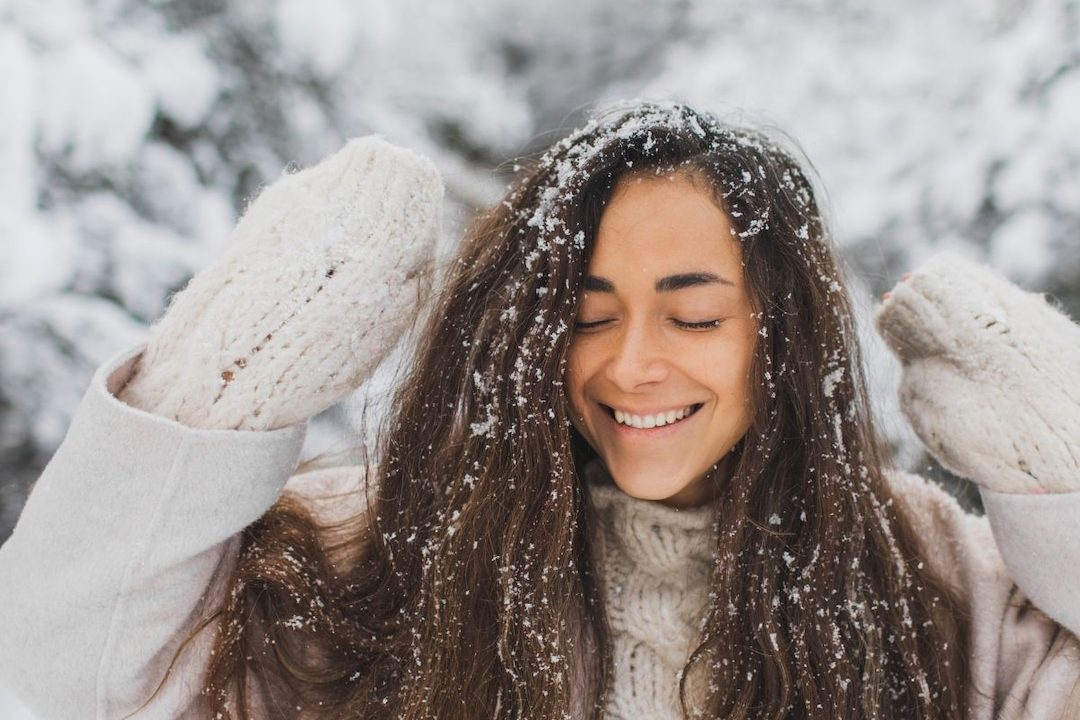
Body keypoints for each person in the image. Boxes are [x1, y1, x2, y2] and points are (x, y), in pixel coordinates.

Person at [0, 100, 1078, 720]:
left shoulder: (935, 587)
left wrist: (1062, 458)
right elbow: (46, 681)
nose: (633, 365)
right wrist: (219, 385)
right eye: (585, 315)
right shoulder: (374, 557)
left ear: (779, 333)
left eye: (694, 317)